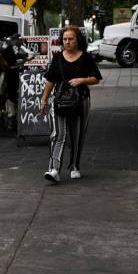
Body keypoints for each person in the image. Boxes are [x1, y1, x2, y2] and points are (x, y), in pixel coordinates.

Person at [39, 26, 102, 182]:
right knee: (58, 134)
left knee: (77, 135)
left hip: (80, 102)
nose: (67, 42)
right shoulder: (58, 58)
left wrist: (82, 80)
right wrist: (44, 100)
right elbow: (50, 80)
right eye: (65, 39)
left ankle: (75, 166)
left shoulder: (86, 58)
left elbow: (96, 78)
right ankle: (54, 169)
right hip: (60, 102)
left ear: (77, 40)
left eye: (71, 39)